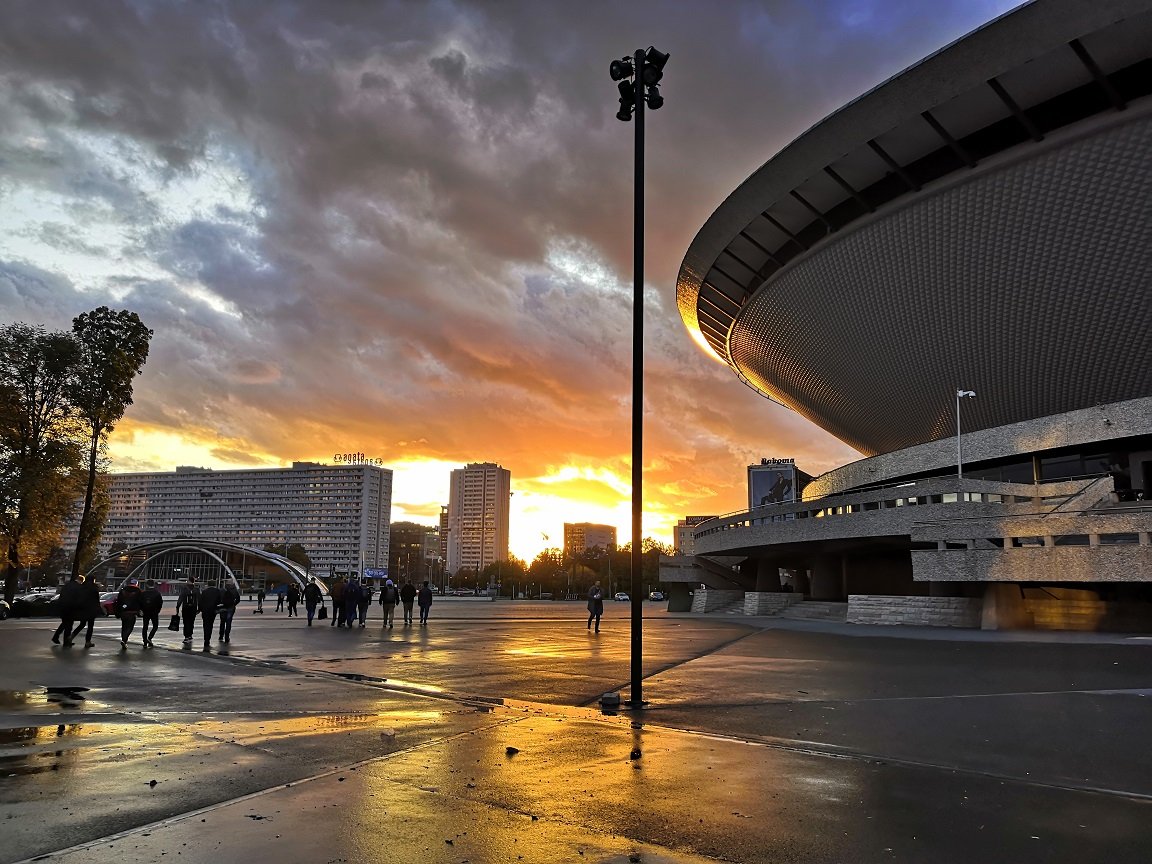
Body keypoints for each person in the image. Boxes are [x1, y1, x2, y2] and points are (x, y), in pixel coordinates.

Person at [53, 574, 86, 646]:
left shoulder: (67, 585)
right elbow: (79, 599)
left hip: (62, 606)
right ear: (81, 581)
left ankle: (56, 637)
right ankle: (66, 642)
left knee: (65, 623)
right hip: (71, 608)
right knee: (69, 625)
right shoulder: (79, 587)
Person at [71, 576, 102, 648]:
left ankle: (71, 637)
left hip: (82, 608)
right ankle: (87, 642)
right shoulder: (94, 588)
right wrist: (99, 609)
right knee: (90, 626)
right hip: (91, 609)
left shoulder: (82, 587)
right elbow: (96, 600)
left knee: (82, 624)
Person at [116, 577, 144, 648]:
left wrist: (119, 610)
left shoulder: (123, 590)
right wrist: (140, 610)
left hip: (124, 612)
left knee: (124, 626)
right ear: (136, 583)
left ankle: (123, 639)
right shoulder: (138, 591)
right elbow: (141, 601)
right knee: (130, 627)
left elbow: (118, 601)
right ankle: (125, 640)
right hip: (133, 612)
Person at [175, 575, 201, 645]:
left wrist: (177, 607)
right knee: (191, 622)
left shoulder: (185, 589)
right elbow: (199, 599)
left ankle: (186, 636)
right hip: (193, 608)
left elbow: (181, 598)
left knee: (186, 622)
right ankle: (190, 635)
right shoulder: (196, 589)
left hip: (185, 608)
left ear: (189, 581)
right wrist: (199, 609)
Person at [139, 579, 164, 648]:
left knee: (145, 627)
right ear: (154, 584)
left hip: (146, 612)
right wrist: (158, 610)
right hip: (154, 612)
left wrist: (142, 610)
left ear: (147, 585)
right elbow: (160, 603)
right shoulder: (157, 593)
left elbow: (140, 602)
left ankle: (144, 642)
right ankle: (149, 638)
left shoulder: (144, 593)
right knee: (155, 626)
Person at [199, 581, 222, 650]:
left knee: (205, 625)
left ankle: (206, 639)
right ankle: (208, 639)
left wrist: (200, 609)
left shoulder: (204, 592)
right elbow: (219, 600)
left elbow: (201, 601)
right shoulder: (217, 591)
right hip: (212, 611)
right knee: (210, 624)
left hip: (205, 611)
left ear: (208, 585)